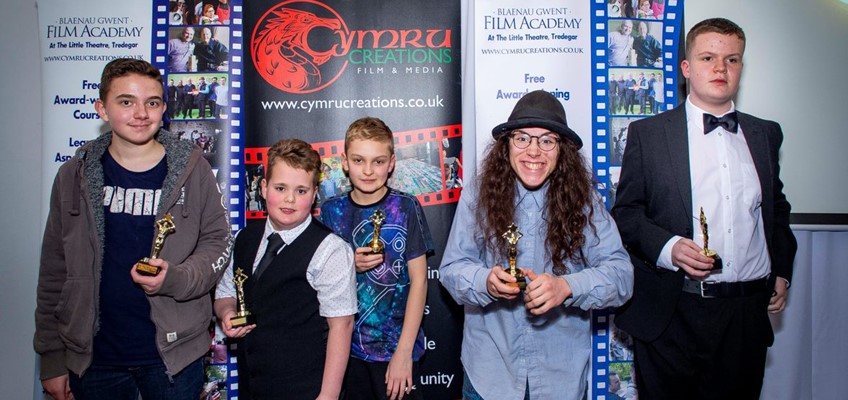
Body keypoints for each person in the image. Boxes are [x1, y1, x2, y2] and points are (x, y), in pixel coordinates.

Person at [611, 18, 797, 399]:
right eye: (708, 57)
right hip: (672, 311)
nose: (720, 68)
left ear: (741, 68)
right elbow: (627, 213)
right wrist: (669, 248)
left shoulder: (765, 134)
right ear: (686, 68)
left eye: (732, 59)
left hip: (745, 315)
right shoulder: (648, 134)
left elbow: (776, 209)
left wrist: (781, 270)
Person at [34, 58, 233, 400]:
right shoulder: (73, 175)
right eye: (126, 102)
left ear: (164, 109)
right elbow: (54, 269)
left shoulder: (193, 169)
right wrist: (52, 357)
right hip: (95, 356)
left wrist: (175, 278)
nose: (141, 113)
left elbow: (218, 242)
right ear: (102, 109)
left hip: (175, 355)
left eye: (152, 103)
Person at [439, 90, 633, 400]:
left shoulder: (584, 201)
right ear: (507, 145)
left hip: (561, 378)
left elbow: (622, 276)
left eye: (547, 140)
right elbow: (451, 270)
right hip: (490, 375)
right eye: (523, 138)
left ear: (561, 150)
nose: (534, 151)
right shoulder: (479, 194)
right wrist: (485, 281)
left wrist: (567, 287)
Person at [214, 138, 357, 399]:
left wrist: (328, 396)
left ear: (315, 194)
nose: (289, 199)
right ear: (264, 187)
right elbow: (225, 292)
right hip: (253, 385)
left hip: (304, 388)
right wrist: (227, 313)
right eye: (280, 188)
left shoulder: (331, 250)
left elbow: (342, 326)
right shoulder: (245, 237)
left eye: (301, 191)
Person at [320, 117, 434, 400]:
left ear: (392, 162)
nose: (368, 170)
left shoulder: (406, 207)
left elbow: (419, 282)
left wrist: (404, 353)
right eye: (359, 160)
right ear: (345, 162)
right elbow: (319, 283)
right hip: (346, 352)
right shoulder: (330, 211)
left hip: (396, 350)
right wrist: (350, 266)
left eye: (378, 161)